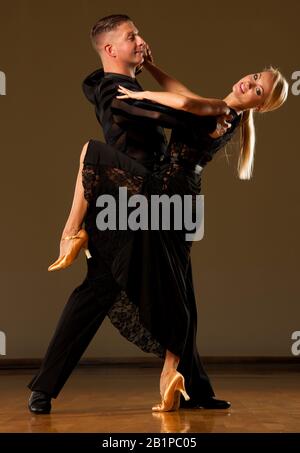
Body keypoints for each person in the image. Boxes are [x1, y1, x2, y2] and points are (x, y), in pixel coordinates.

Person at [27, 14, 288, 414]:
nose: (249, 83)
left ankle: (185, 384)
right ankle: (186, 384)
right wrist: (151, 74)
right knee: (155, 290)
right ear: (111, 50)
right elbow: (182, 102)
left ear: (261, 104)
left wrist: (146, 91)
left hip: (158, 200)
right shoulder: (115, 88)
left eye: (258, 88)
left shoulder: (216, 110)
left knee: (154, 289)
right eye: (253, 76)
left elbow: (184, 103)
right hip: (143, 200)